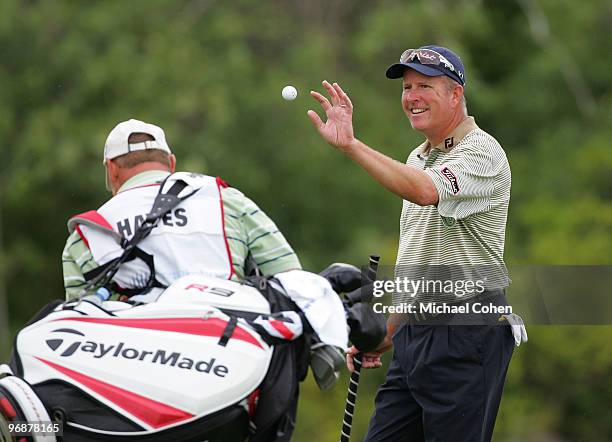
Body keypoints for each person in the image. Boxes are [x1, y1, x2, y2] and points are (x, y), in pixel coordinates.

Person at [308, 45, 525, 441]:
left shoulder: (482, 151)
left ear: (456, 94)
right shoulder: (417, 156)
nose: (411, 97)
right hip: (417, 335)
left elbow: (427, 192)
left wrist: (351, 146)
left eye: (425, 85)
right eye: (407, 87)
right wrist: (387, 332)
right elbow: (421, 257)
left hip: (467, 331)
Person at [62, 118, 302, 302]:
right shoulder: (225, 198)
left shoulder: (87, 232)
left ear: (112, 169)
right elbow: (292, 280)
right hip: (233, 352)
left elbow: (80, 326)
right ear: (172, 164)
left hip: (137, 360)